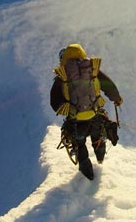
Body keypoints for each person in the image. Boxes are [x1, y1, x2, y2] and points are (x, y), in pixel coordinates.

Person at [50, 43, 122, 181]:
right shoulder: (92, 69)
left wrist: (65, 109)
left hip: (76, 121)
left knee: (79, 144)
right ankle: (100, 156)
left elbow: (54, 101)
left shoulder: (62, 75)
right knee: (97, 135)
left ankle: (88, 174)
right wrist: (116, 98)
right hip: (94, 115)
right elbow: (108, 84)